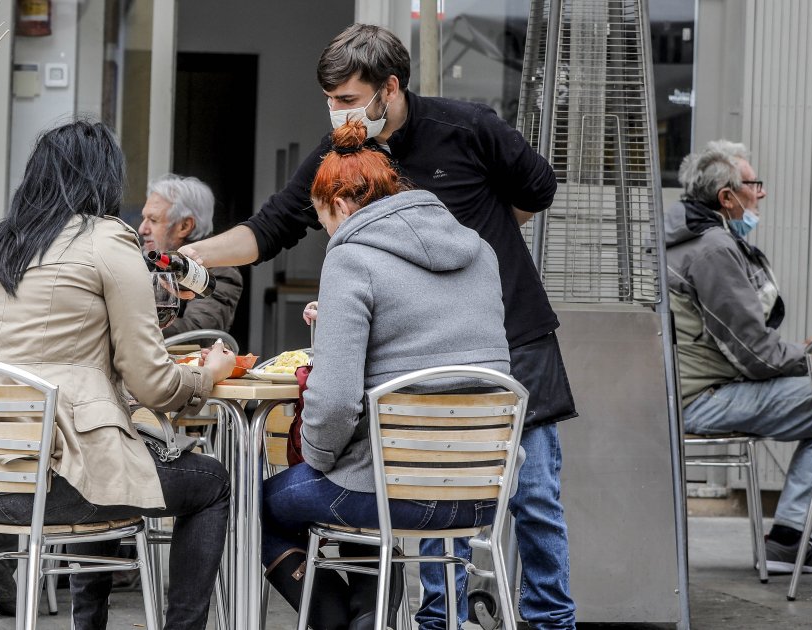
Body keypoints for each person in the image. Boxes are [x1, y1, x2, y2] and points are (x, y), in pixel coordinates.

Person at [180, 24, 577, 629]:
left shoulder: (469, 128)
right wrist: (190, 260)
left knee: (535, 498)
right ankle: (438, 619)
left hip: (514, 334)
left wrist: (479, 249)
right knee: (437, 482)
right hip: (422, 358)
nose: (337, 114)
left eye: (347, 99)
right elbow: (269, 229)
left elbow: (536, 190)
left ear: (388, 89)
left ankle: (552, 622)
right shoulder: (341, 153)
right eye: (330, 100)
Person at [0, 120, 237, 630]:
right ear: (102, 180)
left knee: (111, 453)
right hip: (55, 484)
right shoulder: (105, 241)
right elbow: (154, 385)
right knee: (208, 480)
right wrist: (206, 377)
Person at [262, 119, 510, 629]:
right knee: (364, 491)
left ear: (344, 205)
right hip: (481, 491)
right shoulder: (481, 253)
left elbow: (332, 407)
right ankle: (363, 617)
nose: (328, 233)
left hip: (387, 491)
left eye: (324, 219)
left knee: (253, 503)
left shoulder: (352, 257)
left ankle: (335, 619)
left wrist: (320, 456)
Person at [667, 140, 812, 581]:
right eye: (754, 184)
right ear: (727, 197)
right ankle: (791, 542)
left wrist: (805, 351)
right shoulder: (712, 249)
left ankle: (789, 539)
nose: (761, 193)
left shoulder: (689, 238)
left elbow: (740, 342)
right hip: (705, 397)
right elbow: (755, 353)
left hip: (698, 387)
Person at [137, 174, 244, 337]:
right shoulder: (143, 259)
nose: (141, 229)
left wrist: (131, 323)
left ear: (185, 226)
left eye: (153, 220)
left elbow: (198, 333)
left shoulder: (219, 270)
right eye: (144, 218)